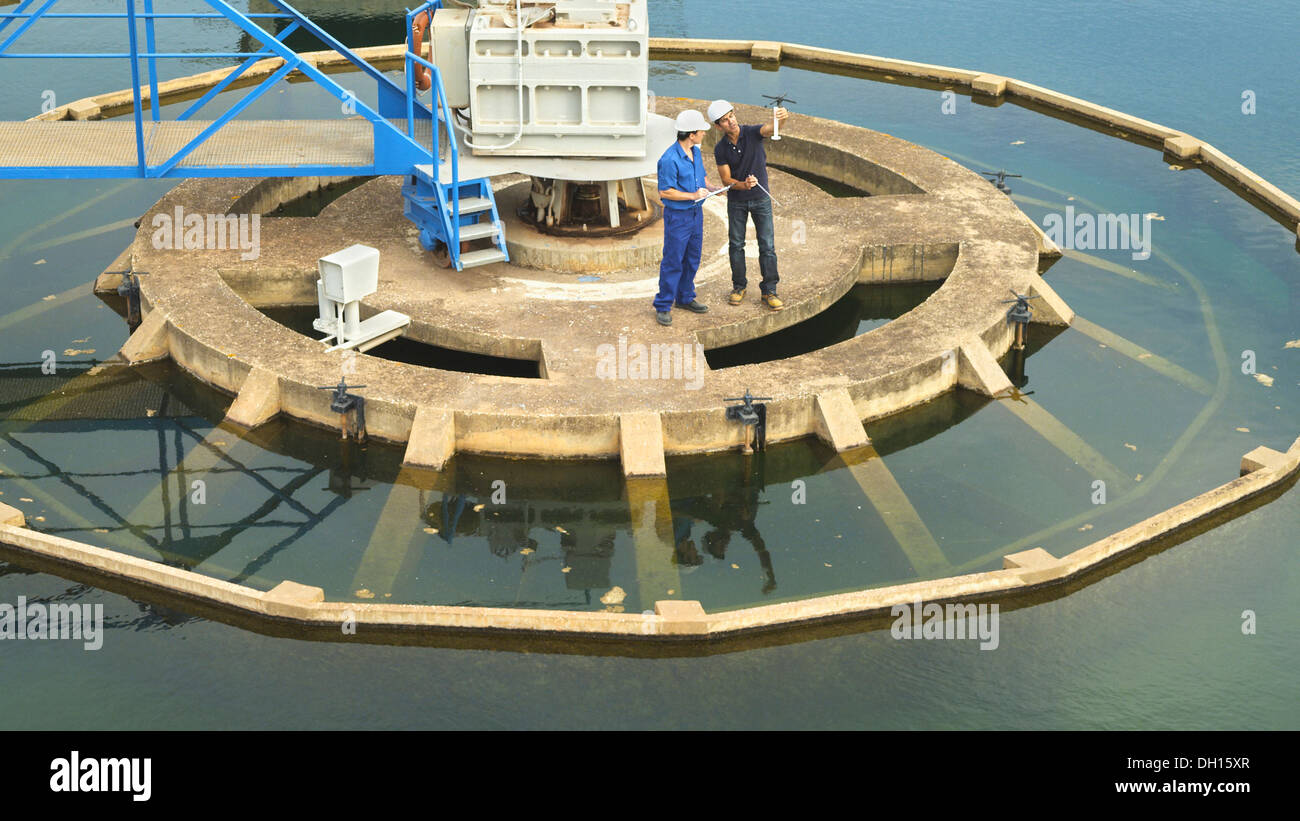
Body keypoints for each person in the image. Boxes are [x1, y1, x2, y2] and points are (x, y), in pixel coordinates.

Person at [708, 99, 789, 311]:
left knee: (767, 246)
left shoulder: (752, 133)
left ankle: (769, 290)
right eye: (724, 121)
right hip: (737, 202)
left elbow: (770, 128)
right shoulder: (720, 149)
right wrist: (743, 185)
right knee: (736, 245)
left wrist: (781, 119)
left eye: (731, 116)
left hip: (761, 200)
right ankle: (739, 287)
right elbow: (725, 179)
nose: (730, 122)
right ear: (718, 127)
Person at [653, 109, 718, 326]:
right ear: (691, 134)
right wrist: (692, 195)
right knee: (673, 260)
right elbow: (665, 191)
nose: (704, 134)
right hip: (678, 217)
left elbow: (702, 177)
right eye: (701, 131)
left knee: (692, 258)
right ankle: (663, 305)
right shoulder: (669, 159)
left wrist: (714, 187)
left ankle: (685, 298)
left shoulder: (696, 152)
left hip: (695, 214)